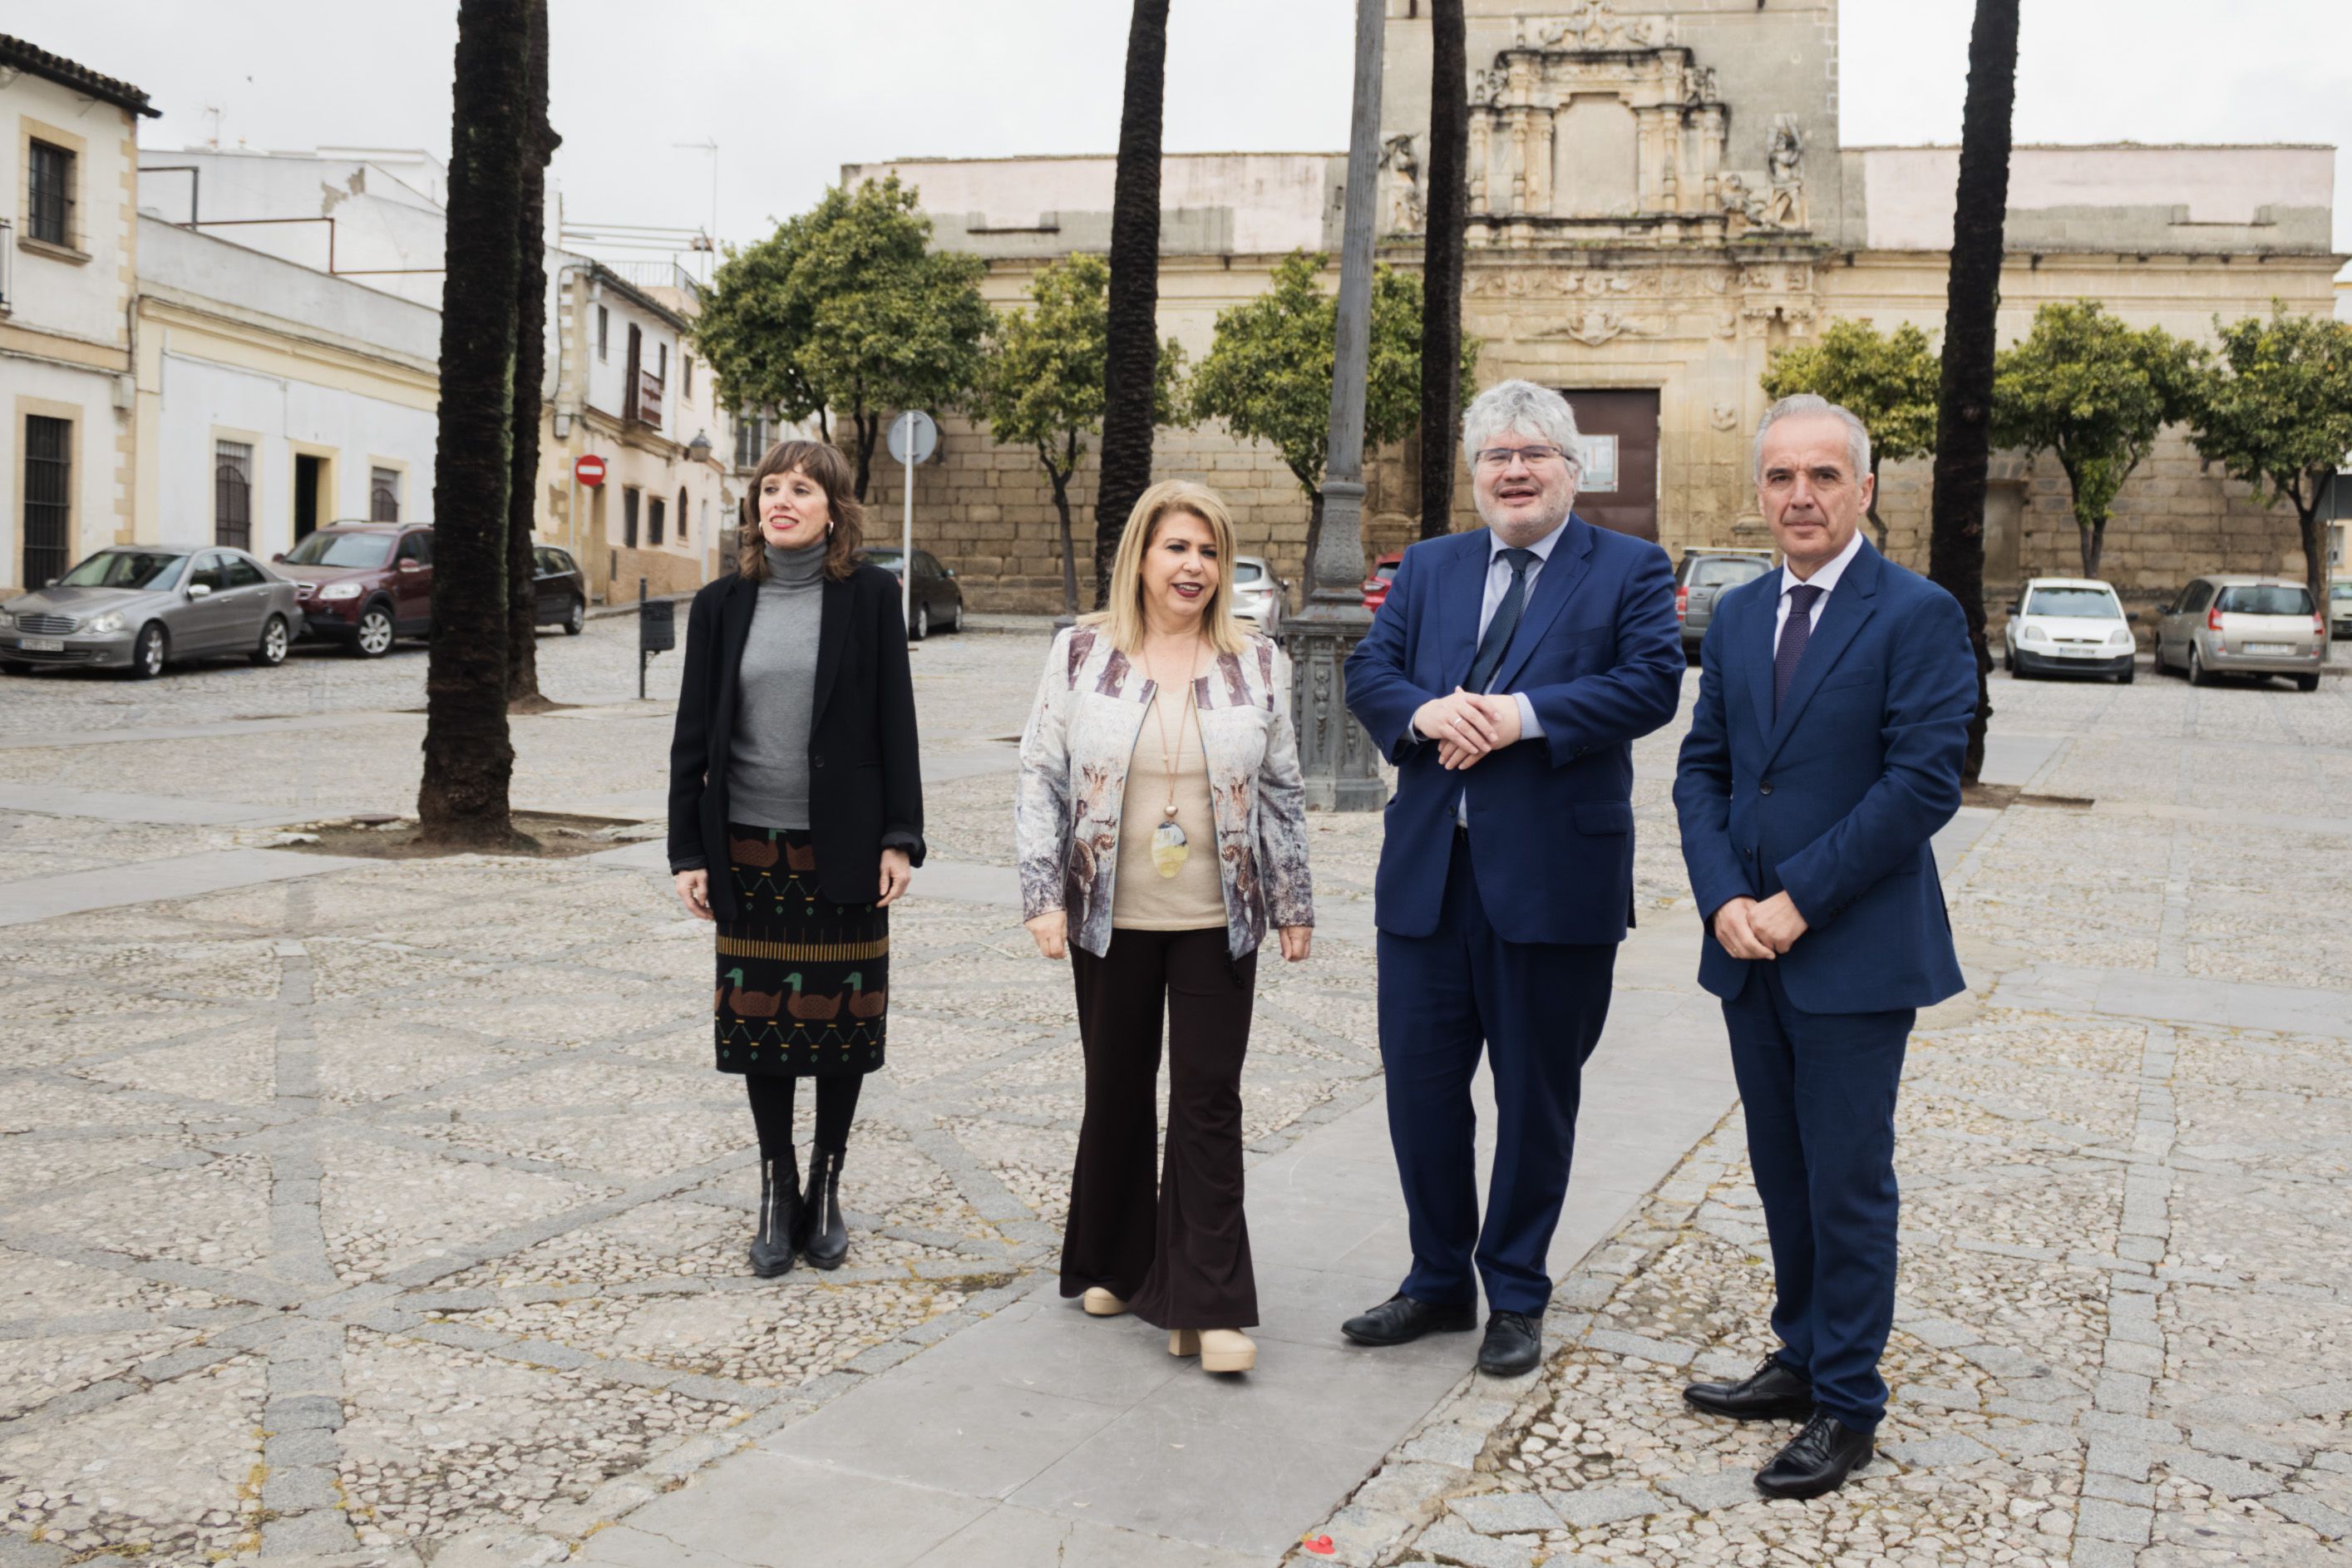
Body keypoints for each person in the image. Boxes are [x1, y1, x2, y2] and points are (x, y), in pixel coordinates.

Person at [1340, 380, 1684, 1377]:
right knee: (1422, 1093)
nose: (1515, 470)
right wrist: (1426, 714)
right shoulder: (1432, 565)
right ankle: (1438, 1279)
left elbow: (1650, 682)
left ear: (1571, 470)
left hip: (1553, 885)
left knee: (1538, 1099)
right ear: (1475, 472)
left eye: (1534, 454)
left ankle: (1518, 1293)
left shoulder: (1625, 567)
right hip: (1427, 883)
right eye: (1496, 455)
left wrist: (1521, 714)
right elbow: (1372, 673)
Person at [1672, 393, 1977, 1499]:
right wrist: (1721, 901)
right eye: (1780, 478)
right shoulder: (1742, 613)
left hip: (1847, 949)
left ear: (1864, 490)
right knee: (1781, 1171)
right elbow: (1704, 768)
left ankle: (1847, 1400)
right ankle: (1799, 1353)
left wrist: (1799, 900)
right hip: (1746, 947)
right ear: (1758, 492)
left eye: (1822, 476)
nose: (1800, 496)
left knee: (1846, 1180)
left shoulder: (1917, 614)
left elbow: (1919, 783)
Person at [1014, 479, 1314, 1376]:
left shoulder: (1259, 661)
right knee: (1115, 1086)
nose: (1194, 567)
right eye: (1177, 548)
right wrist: (1042, 895)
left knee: (1208, 1097)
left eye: (1210, 551)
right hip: (1111, 910)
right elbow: (1041, 773)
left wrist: (1295, 902)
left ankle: (1210, 1300)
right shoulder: (1081, 652)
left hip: (1221, 916)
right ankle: (1117, 1258)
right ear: (1140, 557)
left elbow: (1283, 789)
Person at [667, 439, 923, 1279]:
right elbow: (692, 737)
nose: (781, 500)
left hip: (842, 843)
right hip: (746, 843)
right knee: (762, 1026)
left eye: (800, 489)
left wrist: (901, 835)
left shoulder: (873, 597)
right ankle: (778, 1184)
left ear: (833, 507)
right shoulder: (720, 603)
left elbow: (896, 720)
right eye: (769, 488)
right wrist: (686, 849)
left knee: (841, 1027)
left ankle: (828, 1178)